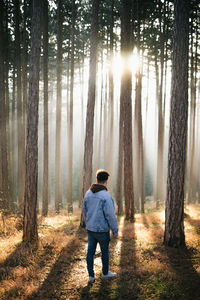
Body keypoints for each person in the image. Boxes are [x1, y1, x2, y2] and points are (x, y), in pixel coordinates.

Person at [82, 169, 118, 284]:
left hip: (91, 229)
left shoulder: (88, 193)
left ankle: (91, 276)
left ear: (96, 179)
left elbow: (84, 211)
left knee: (90, 252)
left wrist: (88, 223)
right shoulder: (106, 196)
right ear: (106, 181)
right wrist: (115, 230)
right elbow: (111, 216)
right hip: (102, 230)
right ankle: (105, 273)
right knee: (105, 252)